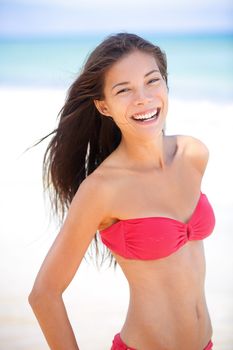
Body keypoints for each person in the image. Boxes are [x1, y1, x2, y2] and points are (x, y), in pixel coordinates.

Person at [28, 32, 215, 350]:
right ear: (104, 106)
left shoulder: (193, 154)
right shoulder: (101, 190)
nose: (143, 98)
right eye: (124, 90)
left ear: (166, 85)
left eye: (152, 81)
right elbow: (44, 295)